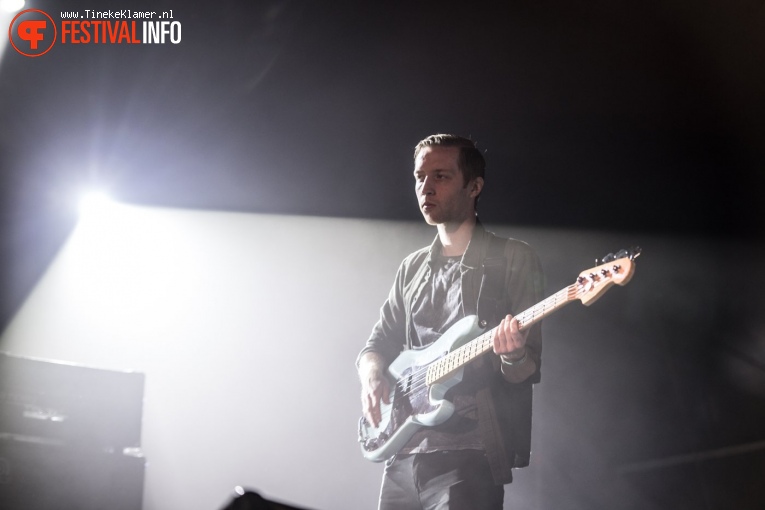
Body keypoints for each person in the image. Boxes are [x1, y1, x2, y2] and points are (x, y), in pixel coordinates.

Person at [356, 134, 544, 510]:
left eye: (440, 176)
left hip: (471, 455)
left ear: (474, 186)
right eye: (419, 177)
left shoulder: (512, 258)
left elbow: (527, 368)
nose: (425, 187)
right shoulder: (411, 268)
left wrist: (512, 356)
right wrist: (373, 376)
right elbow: (377, 344)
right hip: (403, 454)